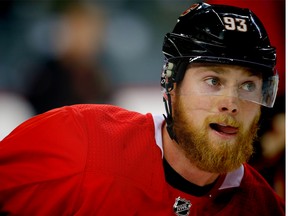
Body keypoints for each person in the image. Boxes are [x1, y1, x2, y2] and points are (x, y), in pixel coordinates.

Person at [0, 3, 284, 215]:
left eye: (248, 86)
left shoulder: (263, 206)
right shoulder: (79, 141)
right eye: (213, 80)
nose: (231, 103)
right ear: (171, 85)